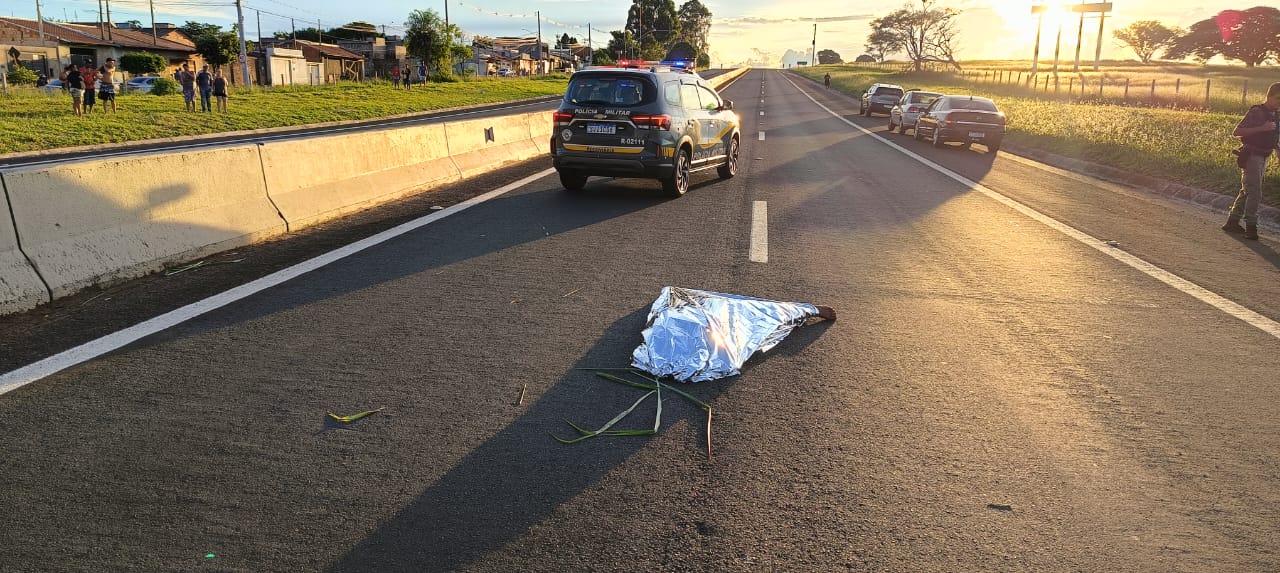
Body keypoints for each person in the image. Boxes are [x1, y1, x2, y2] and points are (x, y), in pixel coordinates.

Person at [1222, 82, 1280, 241]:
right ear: (1269, 96)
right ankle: (1251, 227)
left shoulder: (1275, 114)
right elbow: (1237, 131)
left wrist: (1277, 151)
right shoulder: (1256, 112)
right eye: (1277, 99)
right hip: (1252, 156)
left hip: (1264, 156)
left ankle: (1232, 221)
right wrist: (1262, 128)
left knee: (1248, 189)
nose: (1279, 103)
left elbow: (1274, 136)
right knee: (1254, 192)